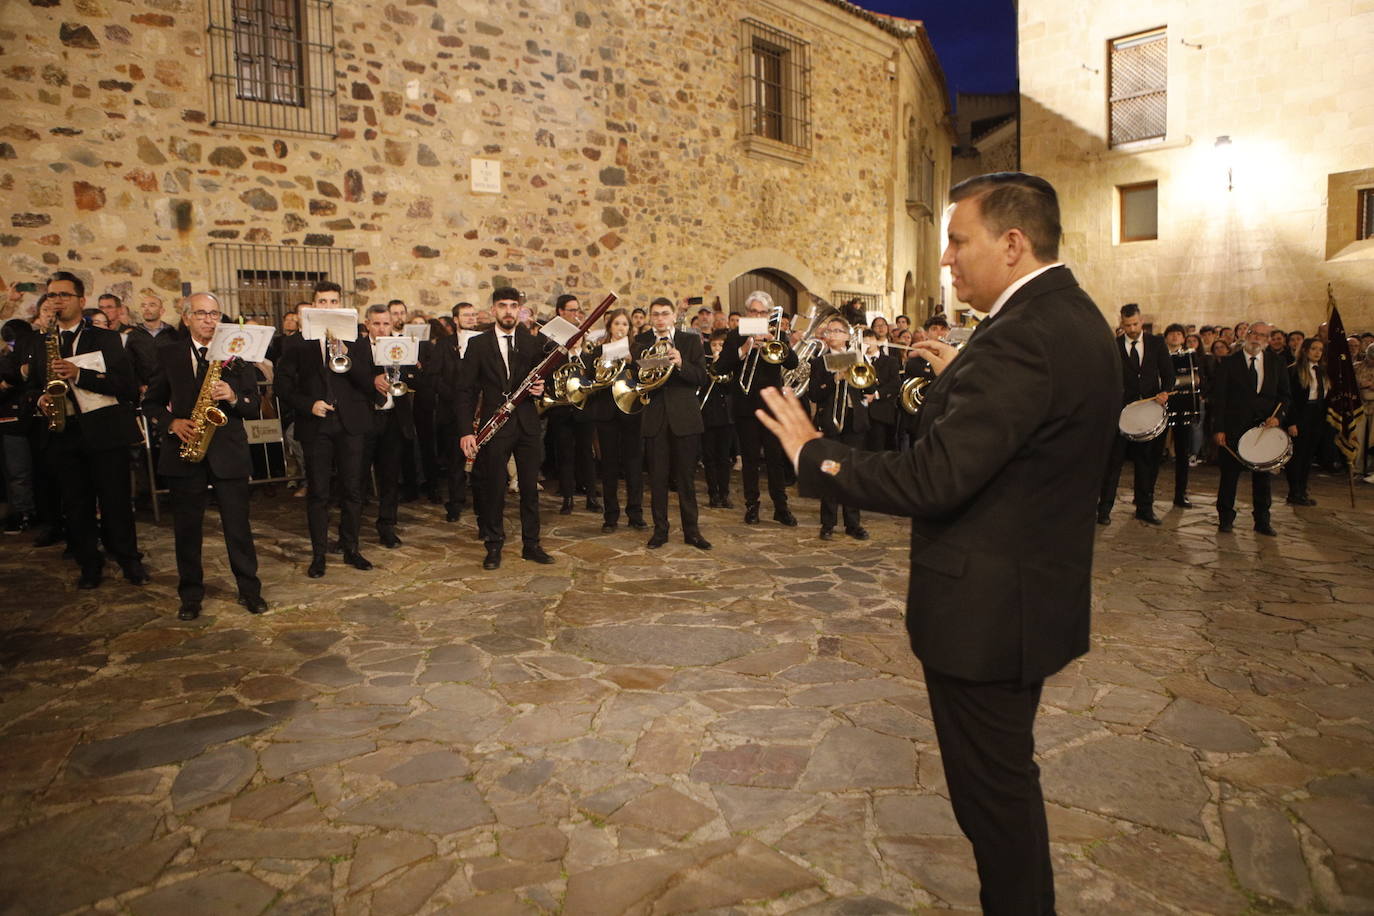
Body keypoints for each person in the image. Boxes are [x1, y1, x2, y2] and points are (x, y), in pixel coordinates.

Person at [757, 171, 1119, 916]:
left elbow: (933, 479)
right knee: (1002, 791)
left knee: (995, 805)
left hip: (990, 613)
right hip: (1027, 599)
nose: (947, 259)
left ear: (1012, 243)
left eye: (959, 240)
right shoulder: (1065, 317)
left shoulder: (1024, 338)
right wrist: (963, 380)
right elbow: (1019, 431)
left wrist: (815, 454)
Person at [142, 293, 267, 619]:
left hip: (228, 453)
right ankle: (191, 595)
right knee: (187, 529)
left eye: (214, 314)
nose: (209, 320)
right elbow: (150, 403)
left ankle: (250, 590)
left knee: (238, 527)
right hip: (185, 450)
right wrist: (172, 423)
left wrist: (234, 395)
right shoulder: (168, 353)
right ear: (186, 318)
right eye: (201, 313)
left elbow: (254, 406)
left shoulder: (236, 354)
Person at [28, 272, 148, 589]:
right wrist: (39, 398)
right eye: (52, 295)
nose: (57, 300)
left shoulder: (105, 339)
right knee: (76, 504)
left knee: (116, 502)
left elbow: (126, 387)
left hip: (105, 433)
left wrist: (80, 374)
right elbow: (30, 387)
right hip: (63, 434)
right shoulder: (41, 342)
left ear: (81, 301)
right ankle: (88, 564)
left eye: (64, 295)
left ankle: (128, 560)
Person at [275, 280, 381, 577]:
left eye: (334, 302)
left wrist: (346, 351)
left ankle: (351, 548)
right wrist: (309, 404)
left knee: (352, 490)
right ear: (313, 307)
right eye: (323, 302)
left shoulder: (358, 340)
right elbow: (282, 386)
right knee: (318, 492)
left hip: (351, 424)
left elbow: (367, 381)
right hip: (316, 424)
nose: (329, 307)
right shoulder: (297, 342)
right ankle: (319, 554)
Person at [457, 287, 555, 569]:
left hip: (526, 424)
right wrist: (466, 430)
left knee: (529, 488)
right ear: (493, 311)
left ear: (519, 309)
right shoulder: (478, 344)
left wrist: (540, 388)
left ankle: (531, 545)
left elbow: (542, 382)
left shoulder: (532, 342)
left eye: (514, 306)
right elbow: (464, 391)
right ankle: (494, 544)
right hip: (495, 424)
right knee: (494, 488)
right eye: (503, 306)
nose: (509, 311)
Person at [714, 290, 798, 527]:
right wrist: (745, 348)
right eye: (754, 311)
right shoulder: (735, 335)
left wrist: (773, 340)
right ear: (747, 313)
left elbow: (793, 363)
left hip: (772, 405)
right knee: (750, 459)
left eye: (763, 312)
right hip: (745, 405)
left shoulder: (777, 334)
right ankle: (752, 506)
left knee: (775, 459)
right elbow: (720, 368)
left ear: (769, 314)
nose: (758, 315)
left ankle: (781, 508)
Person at [634, 296, 711, 550]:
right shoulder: (642, 342)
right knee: (657, 479)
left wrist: (681, 364)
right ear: (650, 317)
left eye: (664, 314)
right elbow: (637, 378)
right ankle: (660, 530)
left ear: (673, 316)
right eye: (655, 314)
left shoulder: (689, 341)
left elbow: (701, 377)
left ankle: (692, 531)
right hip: (655, 418)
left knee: (686, 480)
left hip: (685, 419)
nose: (660, 319)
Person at [1211, 321, 1292, 536]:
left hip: (1263, 429)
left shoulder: (1277, 362)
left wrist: (1278, 418)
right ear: (1247, 335)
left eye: (1263, 336)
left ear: (1268, 340)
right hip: (1233, 428)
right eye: (1254, 334)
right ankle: (1226, 518)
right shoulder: (1229, 363)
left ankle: (1262, 520)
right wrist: (1219, 429)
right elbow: (1219, 399)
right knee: (1229, 476)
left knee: (1263, 478)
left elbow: (1285, 396)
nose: (1257, 338)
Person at [1097, 303, 1172, 526]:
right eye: (1127, 325)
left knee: (1145, 462)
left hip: (1148, 412)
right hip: (1121, 414)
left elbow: (1168, 373)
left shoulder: (1157, 343)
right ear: (1122, 323)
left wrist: (1164, 392)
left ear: (1141, 321)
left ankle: (1144, 508)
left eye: (1136, 324)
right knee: (1113, 463)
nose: (1132, 328)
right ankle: (1104, 509)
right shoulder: (1114, 345)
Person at [359, 304, 418, 548]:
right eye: (377, 323)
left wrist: (407, 372)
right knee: (357, 478)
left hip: (394, 418)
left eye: (386, 323)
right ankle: (350, 529)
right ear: (367, 325)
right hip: (366, 419)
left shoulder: (401, 345)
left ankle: (387, 526)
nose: (382, 328)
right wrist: (371, 380)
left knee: (390, 477)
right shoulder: (358, 348)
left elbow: (415, 378)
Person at [806, 317, 870, 540]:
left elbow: (869, 384)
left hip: (854, 420)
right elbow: (814, 393)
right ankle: (828, 523)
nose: (832, 334)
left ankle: (853, 524)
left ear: (846, 335)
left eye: (837, 330)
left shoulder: (857, 357)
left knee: (852, 474)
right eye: (829, 331)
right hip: (831, 421)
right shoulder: (819, 362)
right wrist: (834, 379)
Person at [585, 308, 645, 532]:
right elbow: (589, 377)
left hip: (631, 412)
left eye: (625, 325)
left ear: (630, 329)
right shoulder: (599, 350)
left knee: (633, 464)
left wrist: (632, 362)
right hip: (606, 413)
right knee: (608, 465)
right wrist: (600, 362)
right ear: (609, 326)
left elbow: (645, 378)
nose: (621, 328)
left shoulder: (637, 350)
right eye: (617, 324)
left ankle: (635, 513)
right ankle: (610, 516)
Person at [544, 294, 599, 514]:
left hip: (584, 410)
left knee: (587, 453)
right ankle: (567, 498)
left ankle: (592, 497)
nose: (576, 314)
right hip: (560, 409)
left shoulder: (587, 352)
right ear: (560, 312)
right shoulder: (552, 346)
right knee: (565, 455)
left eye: (578, 310)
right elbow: (547, 375)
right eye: (571, 310)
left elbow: (595, 376)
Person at [1162, 323, 1202, 506]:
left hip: (1183, 408)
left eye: (1179, 334)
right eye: (1172, 334)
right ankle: (1144, 496)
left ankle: (1180, 494)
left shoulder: (1191, 357)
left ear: (1184, 338)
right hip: (1160, 408)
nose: (1175, 337)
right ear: (1166, 337)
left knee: (1182, 453)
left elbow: (1199, 380)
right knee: (1153, 453)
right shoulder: (1158, 356)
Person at [1284, 337, 1326, 506]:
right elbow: (1290, 399)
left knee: (1308, 455)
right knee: (1297, 455)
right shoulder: (1294, 371)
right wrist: (1291, 422)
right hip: (1300, 414)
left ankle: (1302, 489)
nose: (1317, 352)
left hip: (1316, 415)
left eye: (1320, 349)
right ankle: (1294, 491)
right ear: (1305, 350)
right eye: (1314, 348)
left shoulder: (1321, 371)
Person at [699, 327, 735, 509]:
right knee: (709, 457)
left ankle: (725, 493)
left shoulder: (731, 364)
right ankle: (713, 493)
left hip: (726, 416)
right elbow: (702, 387)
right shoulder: (705, 364)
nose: (718, 347)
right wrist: (713, 365)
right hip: (707, 415)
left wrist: (722, 365)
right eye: (714, 345)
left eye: (721, 344)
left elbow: (729, 387)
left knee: (723, 457)